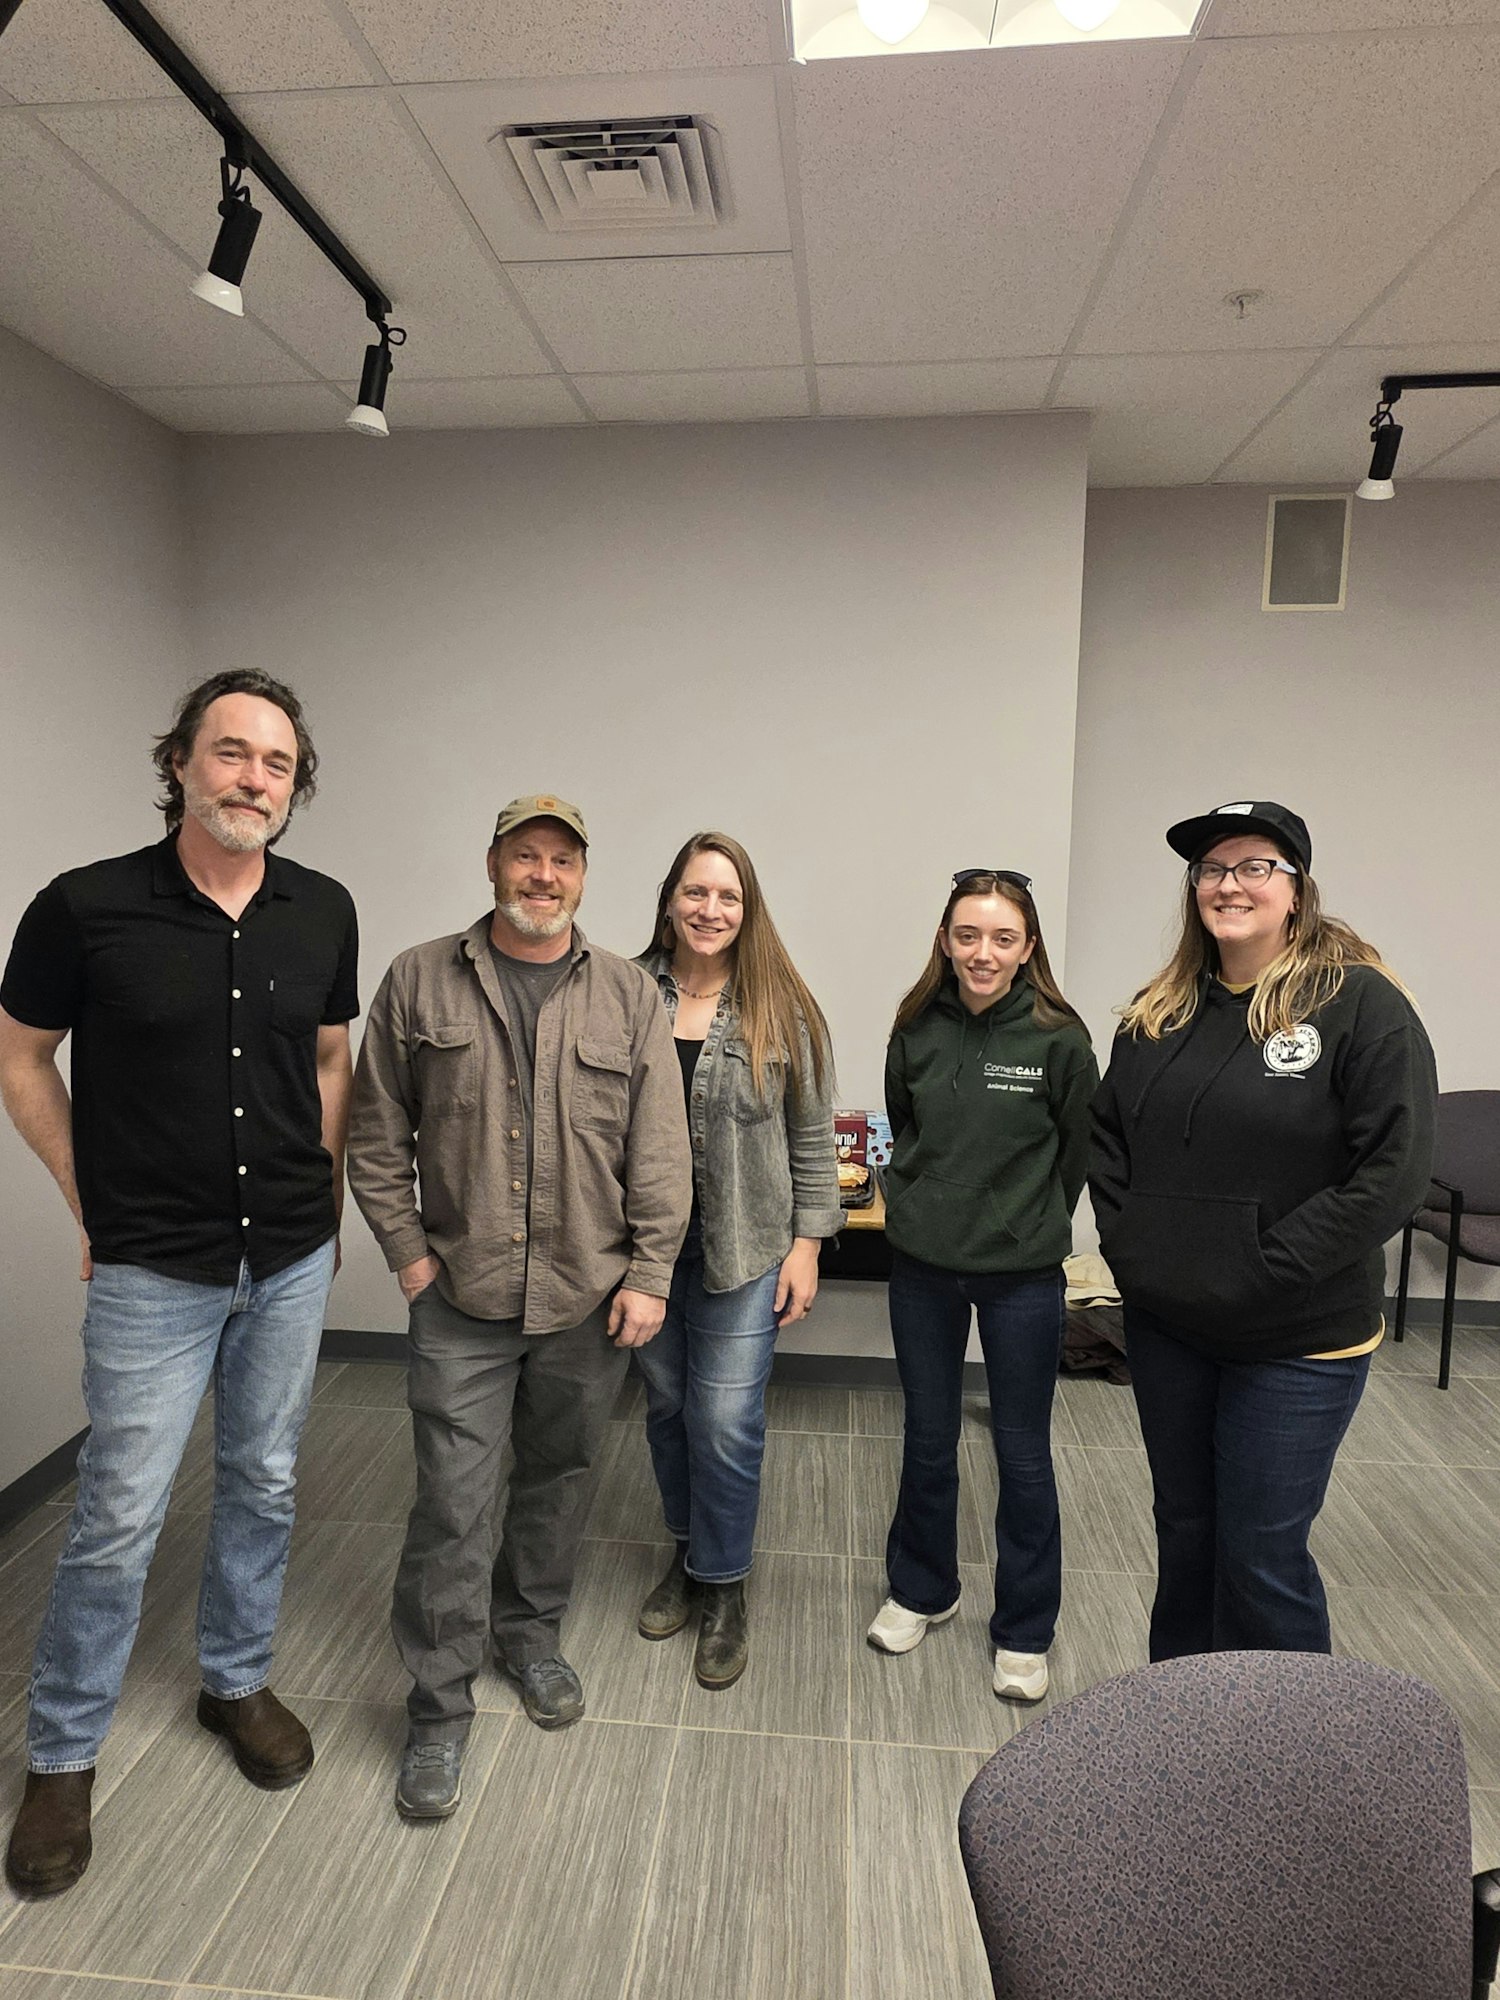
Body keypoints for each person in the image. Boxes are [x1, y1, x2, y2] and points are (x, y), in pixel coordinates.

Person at [0, 670, 357, 1897]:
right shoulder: (83, 907)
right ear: (182, 762)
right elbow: (19, 1053)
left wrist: (324, 1189)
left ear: (295, 784)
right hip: (153, 1265)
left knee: (262, 1477)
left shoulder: (324, 909)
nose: (253, 776)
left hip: (292, 1257)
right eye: (232, 751)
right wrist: (83, 1194)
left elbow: (326, 1053)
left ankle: (235, 1678)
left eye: (276, 762)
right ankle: (61, 1752)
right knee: (117, 1513)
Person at [347, 794, 691, 1821]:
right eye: (525, 856)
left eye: (563, 860)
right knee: (454, 1498)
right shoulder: (418, 976)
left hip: (588, 1295)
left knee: (559, 1475)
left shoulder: (629, 992)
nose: (543, 875)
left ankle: (529, 1636)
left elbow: (660, 1148)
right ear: (494, 863)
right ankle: (438, 1703)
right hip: (461, 1295)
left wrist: (650, 1271)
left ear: (584, 875)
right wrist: (410, 1258)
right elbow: (374, 1135)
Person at [1089, 800, 1437, 1661]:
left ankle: (1293, 1768)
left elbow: (1391, 1174)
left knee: (1261, 1555)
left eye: (1256, 867)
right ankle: (1180, 1725)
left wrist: (1264, 1265)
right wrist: (1134, 1251)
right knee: (1186, 1535)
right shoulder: (1157, 1012)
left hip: (1296, 1338)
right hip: (1171, 1326)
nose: (1229, 884)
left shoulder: (1361, 1007)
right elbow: (1106, 1143)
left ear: (1296, 891)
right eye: (1212, 869)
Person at [868, 870, 1098, 1704]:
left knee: (1023, 1454)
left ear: (1028, 947)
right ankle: (923, 1589)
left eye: (1003, 938)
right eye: (968, 935)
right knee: (927, 1439)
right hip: (924, 1266)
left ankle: (1024, 1629)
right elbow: (907, 1128)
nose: (983, 953)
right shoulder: (915, 1026)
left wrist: (1026, 1220)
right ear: (944, 940)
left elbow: (1076, 1155)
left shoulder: (1060, 1040)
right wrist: (922, 1207)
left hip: (1022, 1277)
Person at [634, 834, 840, 1689]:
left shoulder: (780, 1007)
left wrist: (807, 1246)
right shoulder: (624, 993)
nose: (709, 910)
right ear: (670, 899)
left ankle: (724, 1584)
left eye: (727, 896)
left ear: (747, 909)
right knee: (667, 1407)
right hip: (643, 1250)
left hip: (747, 1246)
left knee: (724, 1423)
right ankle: (687, 1554)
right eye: (695, 892)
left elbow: (812, 1133)